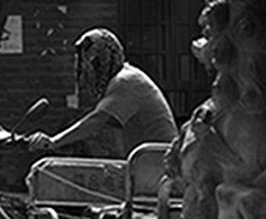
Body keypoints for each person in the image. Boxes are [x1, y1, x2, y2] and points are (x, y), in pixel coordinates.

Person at [29, 27, 177, 156]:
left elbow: (97, 121)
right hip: (145, 161)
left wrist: (54, 141)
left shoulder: (125, 81)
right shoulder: (121, 80)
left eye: (94, 65)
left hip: (158, 161)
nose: (88, 73)